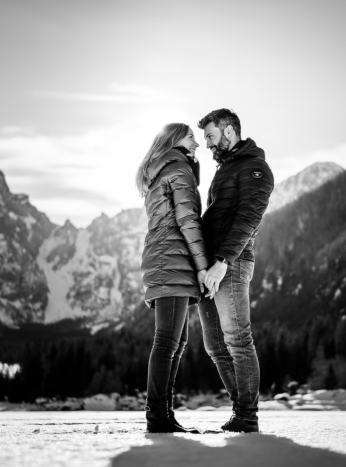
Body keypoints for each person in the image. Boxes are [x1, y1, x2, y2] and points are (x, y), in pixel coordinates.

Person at [197, 108, 274, 433]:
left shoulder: (255, 169)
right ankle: (240, 409)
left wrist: (222, 262)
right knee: (214, 345)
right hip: (209, 268)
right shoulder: (226, 169)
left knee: (238, 340)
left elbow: (248, 219)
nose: (208, 145)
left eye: (211, 137)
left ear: (229, 132)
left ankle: (247, 416)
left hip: (230, 264)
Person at [137, 123, 209, 433]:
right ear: (174, 139)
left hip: (165, 259)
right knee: (168, 342)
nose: (197, 142)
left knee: (175, 342)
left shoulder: (162, 171)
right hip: (173, 260)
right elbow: (188, 220)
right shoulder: (177, 168)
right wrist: (203, 265)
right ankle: (158, 417)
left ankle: (163, 414)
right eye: (192, 135)